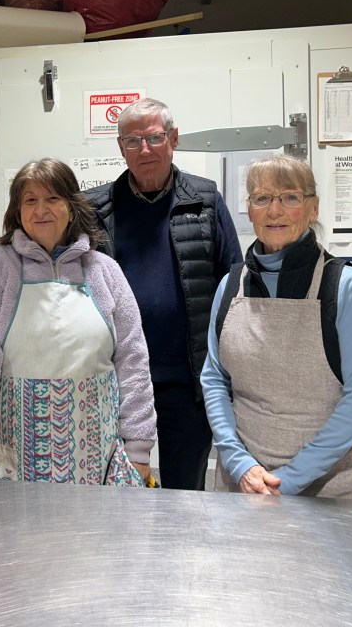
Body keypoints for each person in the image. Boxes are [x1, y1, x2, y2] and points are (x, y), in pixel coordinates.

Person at [0, 158, 156, 489]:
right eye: (30, 200)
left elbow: (132, 363)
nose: (40, 210)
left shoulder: (104, 271)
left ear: (72, 208)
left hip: (95, 450)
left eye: (52, 198)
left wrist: (139, 450)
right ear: (18, 212)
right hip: (13, 448)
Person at [201, 154, 352, 508]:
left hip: (328, 492)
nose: (275, 210)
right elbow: (214, 379)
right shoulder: (230, 286)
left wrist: (290, 480)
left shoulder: (344, 287)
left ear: (313, 209)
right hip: (243, 484)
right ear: (249, 210)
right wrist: (239, 463)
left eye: (290, 197)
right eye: (262, 198)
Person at [84, 98, 242, 490]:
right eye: (133, 141)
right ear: (121, 147)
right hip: (114, 380)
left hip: (188, 382)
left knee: (185, 494)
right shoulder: (94, 209)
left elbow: (234, 286)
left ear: (173, 138)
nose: (145, 150)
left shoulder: (205, 201)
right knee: (113, 492)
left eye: (154, 138)